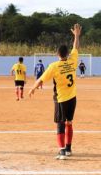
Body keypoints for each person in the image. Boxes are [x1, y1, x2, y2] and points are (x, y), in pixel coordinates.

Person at [29, 23, 82, 160]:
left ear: (57, 54)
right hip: (73, 98)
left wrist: (32, 89)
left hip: (61, 99)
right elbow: (75, 48)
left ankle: (62, 151)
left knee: (60, 123)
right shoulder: (73, 62)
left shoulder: (54, 66)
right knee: (69, 122)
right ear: (67, 54)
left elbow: (41, 80)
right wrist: (76, 35)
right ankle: (69, 148)